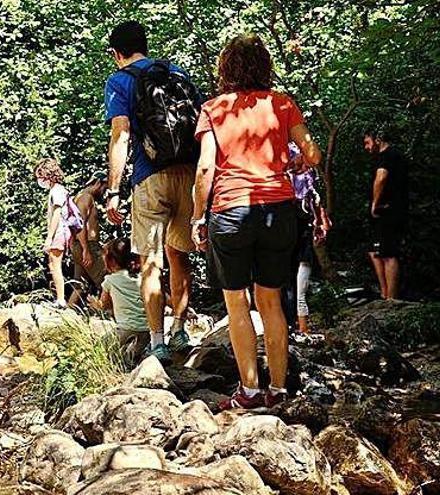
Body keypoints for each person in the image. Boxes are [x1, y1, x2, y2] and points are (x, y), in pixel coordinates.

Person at [191, 34, 322, 410]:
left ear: (226, 68)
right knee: (271, 302)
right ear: (265, 66)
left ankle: (248, 391)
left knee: (237, 303)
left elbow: (205, 168)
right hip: (277, 211)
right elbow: (311, 152)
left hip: (230, 211)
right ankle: (278, 389)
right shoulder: (281, 104)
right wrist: (295, 162)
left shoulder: (214, 108)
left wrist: (198, 216)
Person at [103, 21, 200, 360]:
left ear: (117, 53)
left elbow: (121, 135)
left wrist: (114, 190)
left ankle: (157, 341)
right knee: (179, 256)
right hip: (189, 175)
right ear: (145, 45)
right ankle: (180, 330)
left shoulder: (120, 80)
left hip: (150, 177)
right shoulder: (178, 74)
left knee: (150, 262)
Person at [88, 238, 150, 365]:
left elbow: (103, 306)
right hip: (146, 330)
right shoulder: (143, 279)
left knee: (98, 349)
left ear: (110, 261)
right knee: (132, 357)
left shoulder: (110, 281)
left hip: (125, 329)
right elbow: (162, 299)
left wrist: (94, 303)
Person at [364, 128, 409, 300]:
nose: (367, 147)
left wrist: (375, 203)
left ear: (378, 139)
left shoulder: (391, 155)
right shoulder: (380, 157)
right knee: (374, 251)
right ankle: (385, 293)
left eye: (368, 142)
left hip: (390, 209)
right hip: (381, 212)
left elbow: (381, 177)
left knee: (389, 253)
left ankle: (391, 297)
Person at [288, 157, 331, 334]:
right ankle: (292, 327)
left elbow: (316, 203)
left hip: (303, 239)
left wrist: (321, 222)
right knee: (289, 287)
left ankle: (302, 328)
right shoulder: (285, 179)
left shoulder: (310, 180)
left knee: (300, 288)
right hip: (288, 238)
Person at [67, 172, 108, 309]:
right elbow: (79, 224)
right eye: (104, 187)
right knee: (106, 279)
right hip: (87, 246)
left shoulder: (79, 197)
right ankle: (108, 314)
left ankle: (66, 313)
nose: (104, 192)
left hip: (79, 246)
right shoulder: (86, 198)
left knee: (80, 285)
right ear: (97, 183)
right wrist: (86, 250)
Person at [35, 158, 72, 308]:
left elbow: (56, 215)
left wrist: (49, 238)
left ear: (48, 175)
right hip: (61, 232)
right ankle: (59, 298)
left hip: (59, 233)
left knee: (55, 265)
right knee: (52, 264)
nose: (39, 180)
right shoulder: (58, 190)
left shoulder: (56, 191)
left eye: (40, 176)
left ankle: (61, 299)